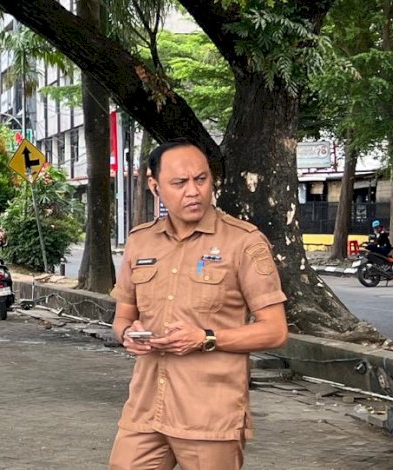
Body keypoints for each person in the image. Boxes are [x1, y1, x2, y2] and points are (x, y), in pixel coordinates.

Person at [108, 139, 289, 470]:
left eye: (201, 179)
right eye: (179, 183)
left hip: (210, 417)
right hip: (145, 409)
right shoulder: (140, 240)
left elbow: (275, 331)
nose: (193, 191)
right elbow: (122, 318)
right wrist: (128, 334)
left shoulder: (243, 242)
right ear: (155, 186)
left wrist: (205, 338)